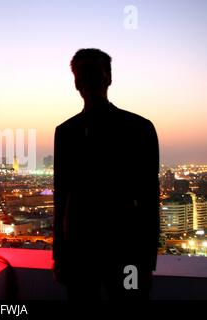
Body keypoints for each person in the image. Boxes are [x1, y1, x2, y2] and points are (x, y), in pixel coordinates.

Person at [53, 48, 160, 300]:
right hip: (103, 251)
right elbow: (61, 197)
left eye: (94, 75)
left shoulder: (68, 132)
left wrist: (146, 263)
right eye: (84, 76)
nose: (89, 83)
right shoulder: (139, 127)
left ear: (108, 79)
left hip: (112, 250)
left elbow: (149, 198)